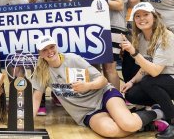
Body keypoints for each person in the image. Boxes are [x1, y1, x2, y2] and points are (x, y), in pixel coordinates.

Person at [32, 35, 168, 138]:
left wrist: (88, 86)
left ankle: (159, 112)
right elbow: (36, 99)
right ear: (40, 54)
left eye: (51, 47)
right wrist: (26, 123)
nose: (50, 51)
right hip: (86, 112)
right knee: (111, 131)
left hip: (103, 95)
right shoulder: (41, 71)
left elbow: (102, 80)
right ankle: (146, 123)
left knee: (128, 124)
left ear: (56, 46)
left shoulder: (73, 59)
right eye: (44, 50)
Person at [120, 2, 174, 139]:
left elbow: (155, 71)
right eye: (137, 16)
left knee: (148, 82)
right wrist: (131, 82)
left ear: (154, 17)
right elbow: (145, 67)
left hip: (170, 77)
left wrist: (134, 52)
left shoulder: (166, 36)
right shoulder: (140, 38)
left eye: (146, 15)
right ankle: (160, 110)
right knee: (131, 94)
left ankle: (172, 121)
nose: (142, 18)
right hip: (160, 80)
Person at [84, 0, 126, 90]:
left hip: (113, 26)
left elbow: (119, 5)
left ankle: (117, 98)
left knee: (109, 66)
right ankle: (107, 97)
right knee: (100, 66)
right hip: (99, 27)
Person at [121, 0, 145, 83]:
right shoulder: (121, 7)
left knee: (142, 81)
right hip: (126, 51)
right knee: (127, 78)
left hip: (143, 50)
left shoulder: (147, 9)